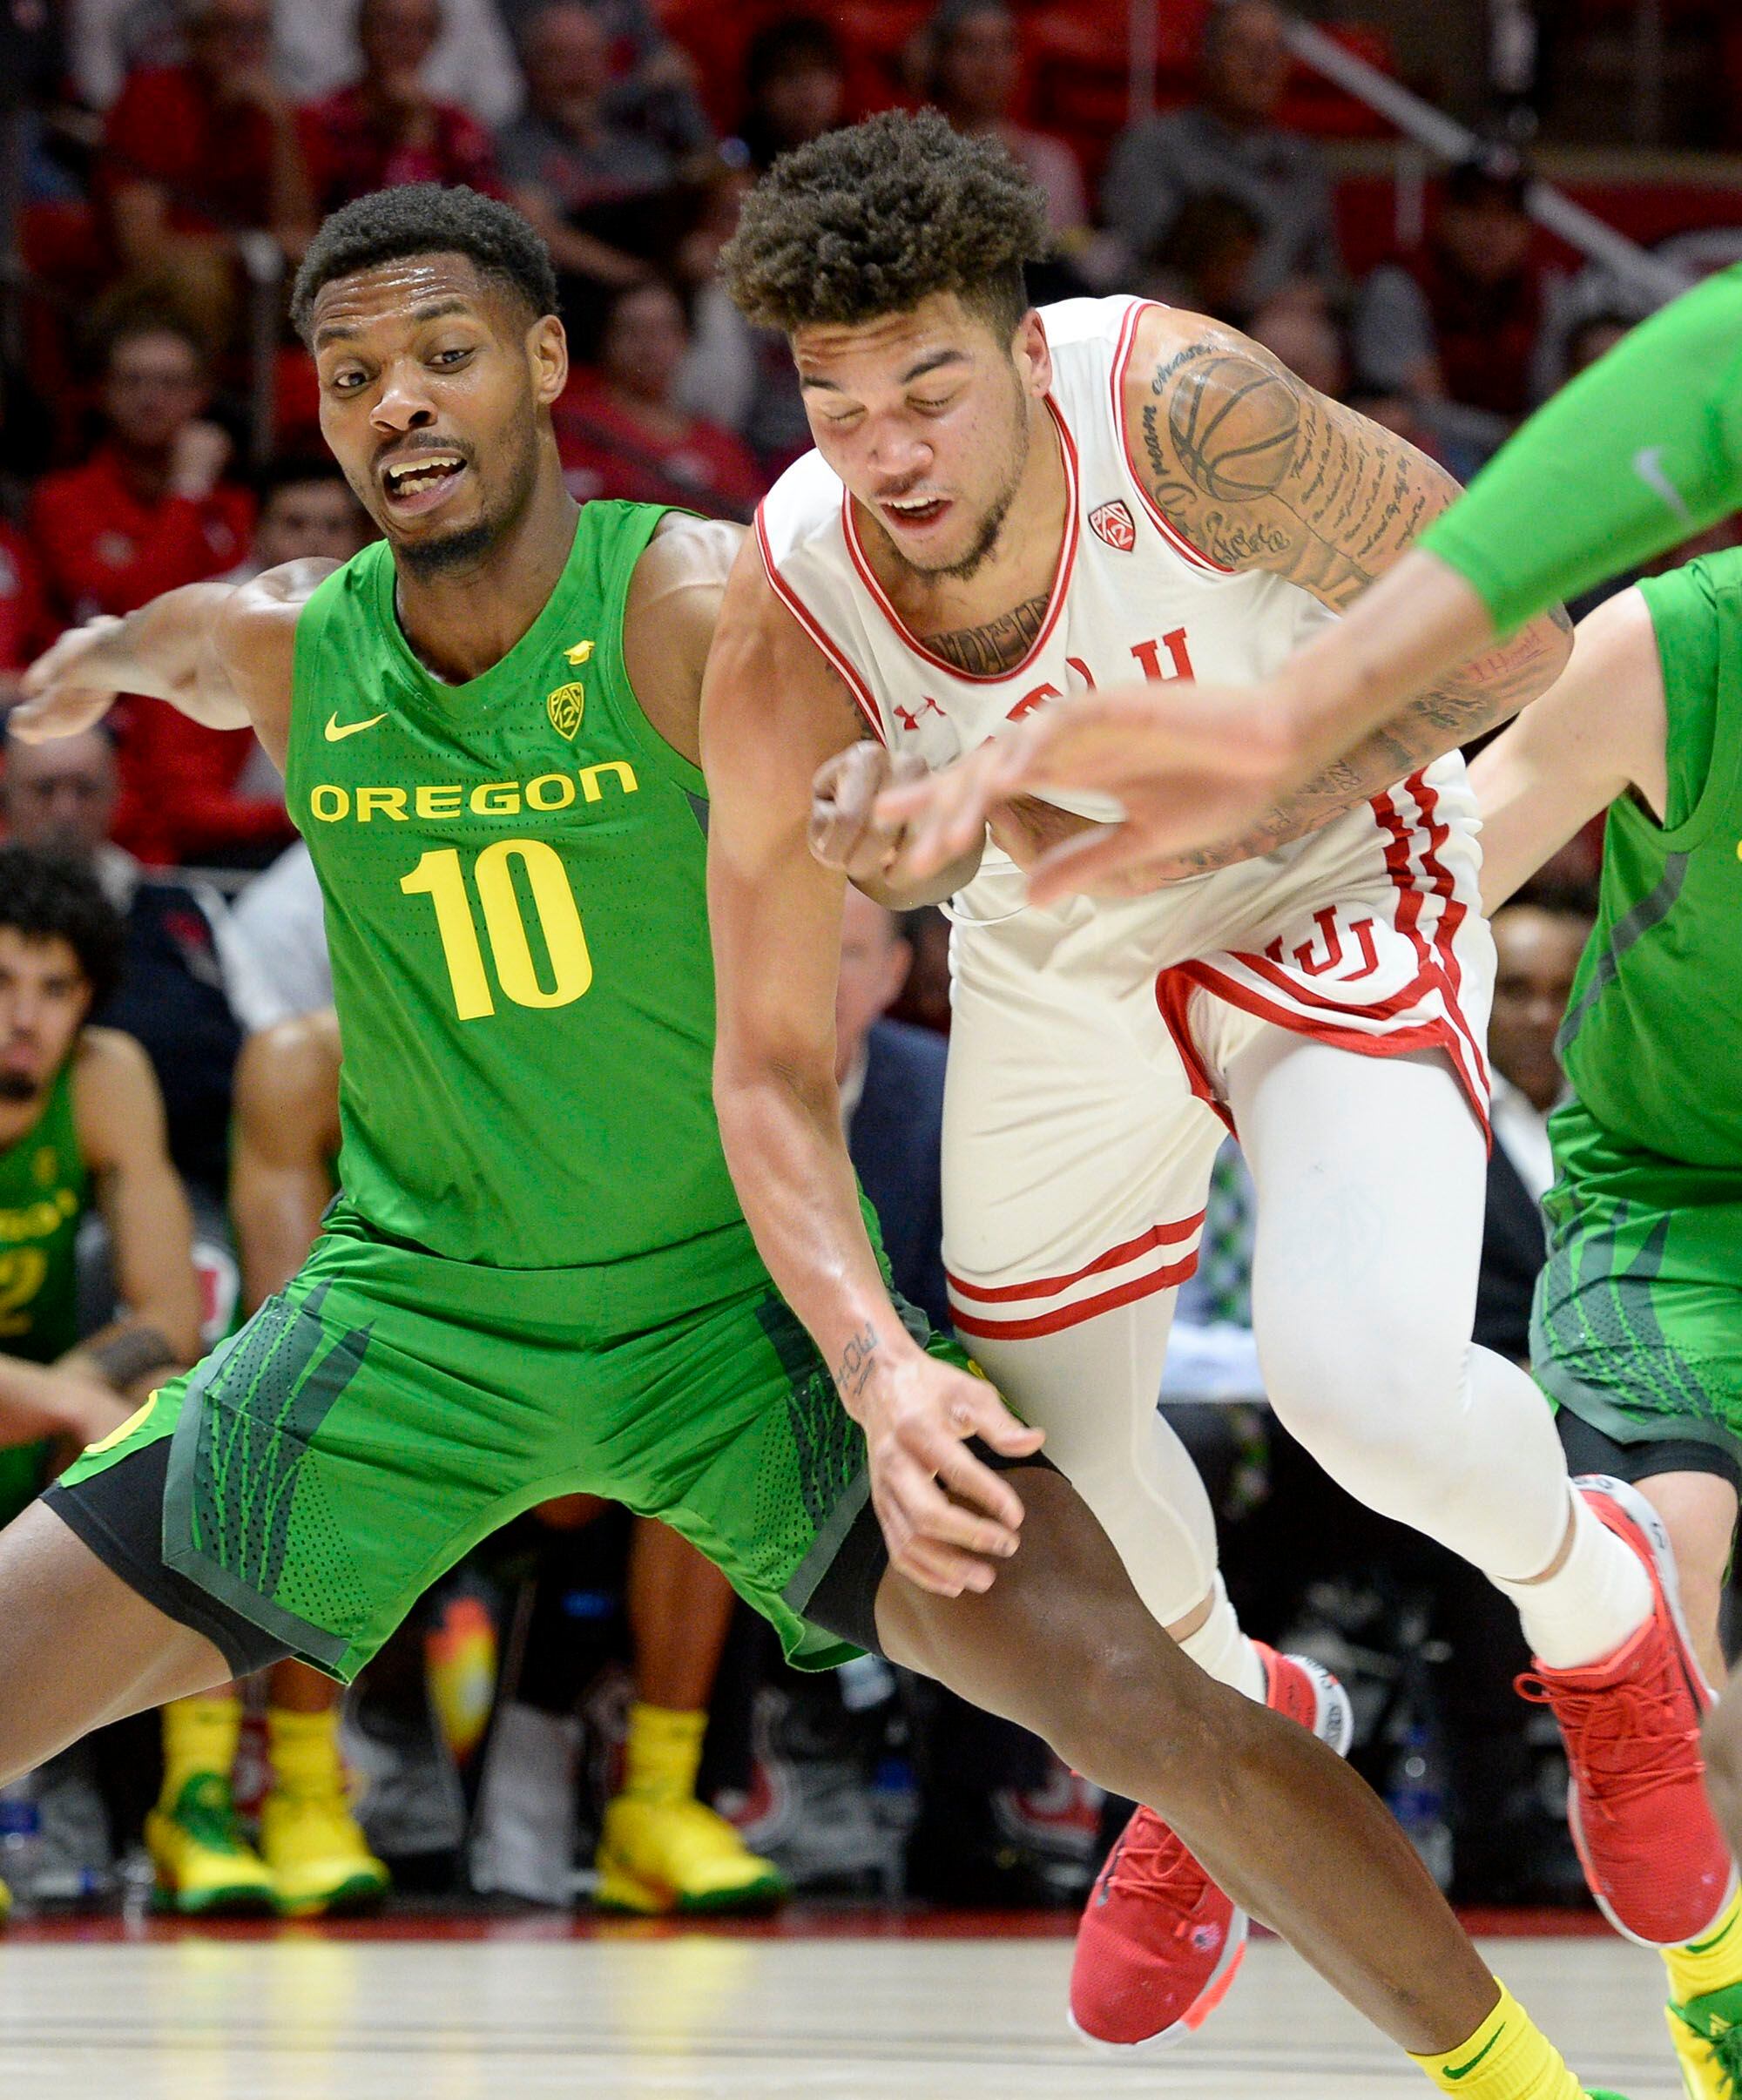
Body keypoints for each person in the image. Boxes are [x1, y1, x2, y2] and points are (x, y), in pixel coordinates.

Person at [8, 182, 1627, 2098]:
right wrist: (96, 655)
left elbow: (855, 833)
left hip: (737, 1325)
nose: (401, 407)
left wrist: (878, 1342)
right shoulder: (300, 646)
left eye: (447, 355)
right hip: (410, 1328)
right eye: (354, 375)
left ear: (545, 364)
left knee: (1143, 1701)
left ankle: (1539, 2084)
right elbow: (198, 639)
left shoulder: (708, 601)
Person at [706, 108, 1714, 2071]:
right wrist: (896, 859)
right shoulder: (796, 592)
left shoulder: (1180, 409)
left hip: (1327, 853)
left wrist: (1233, 776)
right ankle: (1228, 1726)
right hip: (1059, 938)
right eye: (837, 400)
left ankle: (1603, 1618)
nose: (888, 447)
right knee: (1050, 1480)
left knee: (1363, 1388)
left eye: (927, 382)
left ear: (1023, 344)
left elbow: (1515, 642)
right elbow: (765, 1046)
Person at [1466, 555, 1742, 2090]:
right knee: (1669, 1548)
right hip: (1673, 1199)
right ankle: (1721, 1975)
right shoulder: (1677, 650)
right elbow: (1437, 885)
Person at [148, 1008, 391, 1915]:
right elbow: (295, 1322)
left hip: (547, 1369)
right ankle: (250, 1784)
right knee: (310, 1413)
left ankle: (658, 1793)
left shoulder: (578, 1056)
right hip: (402, 1384)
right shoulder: (302, 1061)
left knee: (696, 1404)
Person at [0, 847, 203, 1917]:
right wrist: (62, 1394)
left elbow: (167, 1306)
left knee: (172, 1400)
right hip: (27, 1402)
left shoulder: (108, 1078)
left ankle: (196, 1797)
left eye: (54, 987)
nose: (23, 1016)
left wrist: (73, 1395)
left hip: (31, 1416)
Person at [27, 315, 287, 868]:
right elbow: (141, 620)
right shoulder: (62, 500)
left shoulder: (238, 508)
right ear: (102, 392)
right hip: (103, 721)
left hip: (211, 732)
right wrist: (187, 491)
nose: (150, 398)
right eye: (133, 380)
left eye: (169, 383)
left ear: (199, 395)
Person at [0, 724, 253, 1211]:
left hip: (186, 1175)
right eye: (45, 789)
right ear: (7, 794)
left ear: (118, 793)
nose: (65, 811)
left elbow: (264, 1036)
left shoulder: (183, 906)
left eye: (85, 789)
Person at [96, 0, 319, 350]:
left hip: (248, 290)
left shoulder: (280, 111)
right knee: (201, 283)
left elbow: (298, 237)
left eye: (258, 31)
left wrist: (281, 130)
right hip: (143, 298)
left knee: (328, 283)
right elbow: (142, 250)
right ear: (194, 36)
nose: (245, 44)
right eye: (229, 29)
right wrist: (250, 248)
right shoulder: (150, 97)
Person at [1099, 0, 1340, 310]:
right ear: (1207, 58)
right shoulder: (1150, 146)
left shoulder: (1304, 161)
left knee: (1296, 337)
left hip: (1278, 325)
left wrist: (1311, 295)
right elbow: (1145, 261)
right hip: (1181, 315)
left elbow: (1330, 276)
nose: (1261, 63)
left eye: (1274, 48)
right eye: (1243, 45)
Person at [499, 2, 689, 318]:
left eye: (589, 56)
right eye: (559, 57)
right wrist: (634, 275)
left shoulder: (642, 148)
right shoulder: (512, 144)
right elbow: (536, 230)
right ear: (530, 68)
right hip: (571, 310)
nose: (577, 72)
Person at [1476, 895, 1592, 1364]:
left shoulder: (1616, 1114)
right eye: (1517, 991)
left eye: (1562, 991)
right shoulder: (1435, 1116)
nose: (1541, 1016)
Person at [554, 280, 764, 522]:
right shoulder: (567, 423)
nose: (648, 346)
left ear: (685, 340)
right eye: (632, 330)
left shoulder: (721, 446)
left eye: (662, 331)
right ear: (606, 338)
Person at [306, 0, 500, 213]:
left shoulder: (459, 130)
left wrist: (417, 134)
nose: (401, 42)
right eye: (388, 27)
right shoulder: (322, 120)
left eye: (417, 31)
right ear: (361, 31)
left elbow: (487, 216)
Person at [922, 0, 1086, 243]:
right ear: (941, 59)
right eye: (972, 47)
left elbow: (1071, 255)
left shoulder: (1053, 161)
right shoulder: (916, 155)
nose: (989, 61)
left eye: (1003, 47)